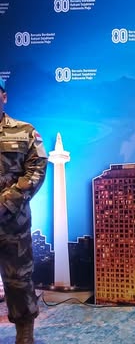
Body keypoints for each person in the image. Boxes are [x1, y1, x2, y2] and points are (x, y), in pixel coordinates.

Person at [0, 78, 48, 344]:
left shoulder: (25, 132)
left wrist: (6, 202)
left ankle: (24, 332)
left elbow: (37, 170)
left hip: (13, 224)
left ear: (4, 97)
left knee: (18, 280)